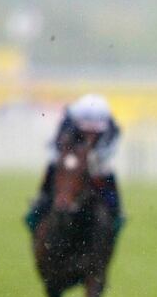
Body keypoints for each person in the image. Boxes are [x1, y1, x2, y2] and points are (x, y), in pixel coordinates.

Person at [25, 93, 124, 234]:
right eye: (86, 129)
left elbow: (110, 148)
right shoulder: (68, 122)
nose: (90, 133)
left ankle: (115, 212)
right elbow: (57, 144)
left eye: (94, 131)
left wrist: (93, 158)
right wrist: (68, 156)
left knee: (107, 174)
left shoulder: (111, 126)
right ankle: (41, 202)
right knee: (53, 167)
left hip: (98, 157)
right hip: (71, 152)